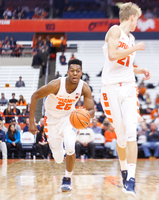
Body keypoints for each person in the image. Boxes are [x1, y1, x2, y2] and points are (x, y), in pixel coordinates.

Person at [100, 2, 150, 196]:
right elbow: (113, 55)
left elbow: (126, 64)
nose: (138, 22)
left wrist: (140, 69)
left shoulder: (132, 38)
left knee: (131, 132)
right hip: (110, 89)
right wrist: (135, 47)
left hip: (128, 87)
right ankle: (123, 169)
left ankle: (131, 178)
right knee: (120, 136)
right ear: (131, 17)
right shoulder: (114, 31)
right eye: (137, 18)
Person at [29, 59, 94, 192]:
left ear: (81, 73)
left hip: (68, 118)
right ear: (67, 72)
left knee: (71, 146)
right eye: (72, 71)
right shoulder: (57, 84)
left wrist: (85, 113)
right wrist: (31, 121)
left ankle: (67, 178)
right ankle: (62, 153)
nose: (75, 73)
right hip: (51, 120)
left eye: (77, 71)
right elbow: (35, 96)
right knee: (58, 158)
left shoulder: (84, 88)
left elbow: (91, 110)